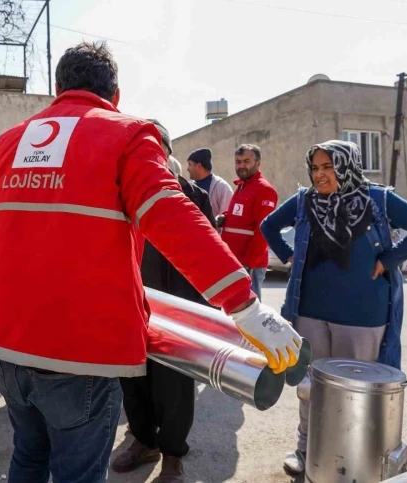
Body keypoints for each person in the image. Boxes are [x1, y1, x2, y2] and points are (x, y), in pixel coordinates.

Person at [0, 41, 303, 483]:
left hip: (4, 346)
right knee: (77, 473)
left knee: (28, 459)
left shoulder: (10, 143)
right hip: (78, 353)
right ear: (116, 96)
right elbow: (174, 217)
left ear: (57, 88)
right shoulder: (125, 135)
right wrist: (245, 305)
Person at [260, 140, 407, 477]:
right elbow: (268, 225)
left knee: (357, 392)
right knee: (310, 387)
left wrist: (389, 260)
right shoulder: (305, 201)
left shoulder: (377, 199)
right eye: (315, 168)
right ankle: (306, 449)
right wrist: (288, 255)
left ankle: (353, 455)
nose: (319, 175)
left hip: (362, 314)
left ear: (346, 166)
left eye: (327, 167)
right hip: (310, 310)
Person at [111, 120, 216, 482]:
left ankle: (173, 453)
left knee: (174, 387)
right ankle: (143, 440)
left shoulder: (193, 198)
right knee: (133, 380)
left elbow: (209, 253)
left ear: (168, 155)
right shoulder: (119, 194)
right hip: (132, 305)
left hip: (177, 311)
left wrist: (206, 314)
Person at [218, 144, 277, 300]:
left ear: (258, 163)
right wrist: (223, 217)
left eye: (246, 161)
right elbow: (240, 215)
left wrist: (248, 263)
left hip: (249, 265)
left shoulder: (264, 190)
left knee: (249, 312)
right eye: (238, 161)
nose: (241, 165)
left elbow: (263, 231)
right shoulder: (242, 186)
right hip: (235, 260)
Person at [186, 147, 233, 215]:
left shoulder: (222, 188)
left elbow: (227, 217)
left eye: (190, 164)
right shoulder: (188, 188)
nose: (187, 169)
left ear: (199, 166)